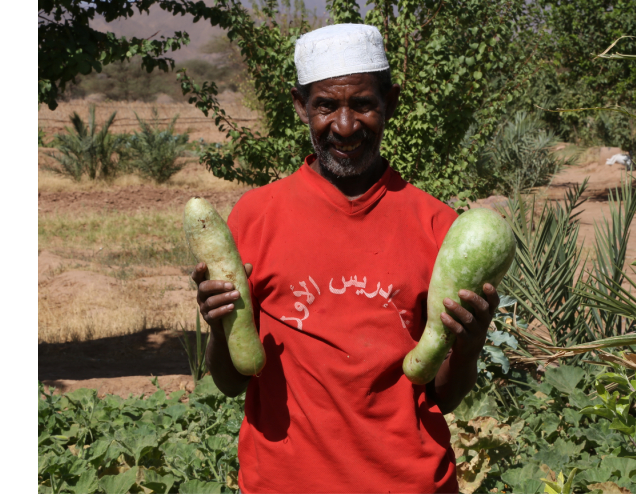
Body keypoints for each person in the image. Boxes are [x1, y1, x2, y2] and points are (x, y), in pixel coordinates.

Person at [191, 24, 499, 493]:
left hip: (410, 482)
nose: (345, 125)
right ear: (300, 106)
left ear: (390, 102)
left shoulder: (437, 225)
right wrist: (219, 326)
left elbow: (442, 396)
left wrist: (470, 343)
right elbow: (233, 383)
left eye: (363, 104)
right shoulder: (256, 217)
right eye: (326, 105)